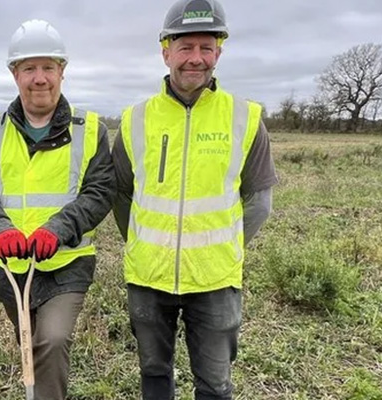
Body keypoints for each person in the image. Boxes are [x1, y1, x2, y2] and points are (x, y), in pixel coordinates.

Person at [111, 0, 280, 399]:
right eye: (185, 47)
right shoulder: (135, 119)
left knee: (215, 385)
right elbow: (121, 195)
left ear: (219, 52)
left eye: (206, 48)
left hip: (215, 279)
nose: (196, 59)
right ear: (166, 51)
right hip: (148, 276)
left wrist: (221, 248)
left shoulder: (245, 117)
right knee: (154, 374)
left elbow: (259, 200)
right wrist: (145, 244)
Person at [0, 19, 114, 400]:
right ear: (15, 74)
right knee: (29, 342)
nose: (40, 78)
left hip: (66, 264)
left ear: (62, 71)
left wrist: (58, 229)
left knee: (52, 338)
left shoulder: (90, 129)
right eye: (29, 68)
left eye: (48, 67)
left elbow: (99, 191)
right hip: (9, 267)